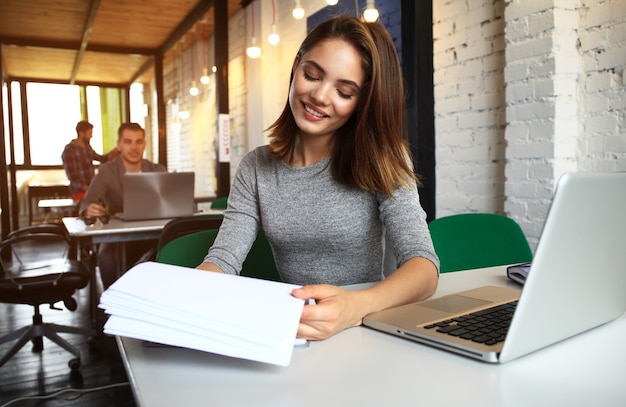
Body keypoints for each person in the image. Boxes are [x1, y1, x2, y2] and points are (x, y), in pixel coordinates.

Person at [198, 16, 440, 341]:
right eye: (312, 75)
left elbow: (423, 266)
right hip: (298, 333)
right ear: (296, 66)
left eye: (343, 91)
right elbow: (224, 259)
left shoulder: (383, 159)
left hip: (365, 327)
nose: (320, 96)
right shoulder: (256, 167)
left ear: (361, 103)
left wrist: (357, 306)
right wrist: (186, 294)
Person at [80, 122, 166, 288]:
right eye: (128, 142)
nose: (134, 147)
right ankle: (114, 302)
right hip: (118, 236)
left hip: (153, 234)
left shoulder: (158, 169)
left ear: (144, 144)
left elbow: (175, 199)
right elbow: (87, 201)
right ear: (119, 145)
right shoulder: (107, 170)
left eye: (138, 142)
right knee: (106, 258)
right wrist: (88, 209)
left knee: (168, 251)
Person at [62, 120, 119, 201]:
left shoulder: (87, 148)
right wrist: (89, 189)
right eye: (89, 133)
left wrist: (114, 152)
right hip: (79, 193)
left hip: (90, 190)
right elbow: (73, 177)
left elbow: (102, 159)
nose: (91, 136)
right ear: (81, 133)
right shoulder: (69, 150)